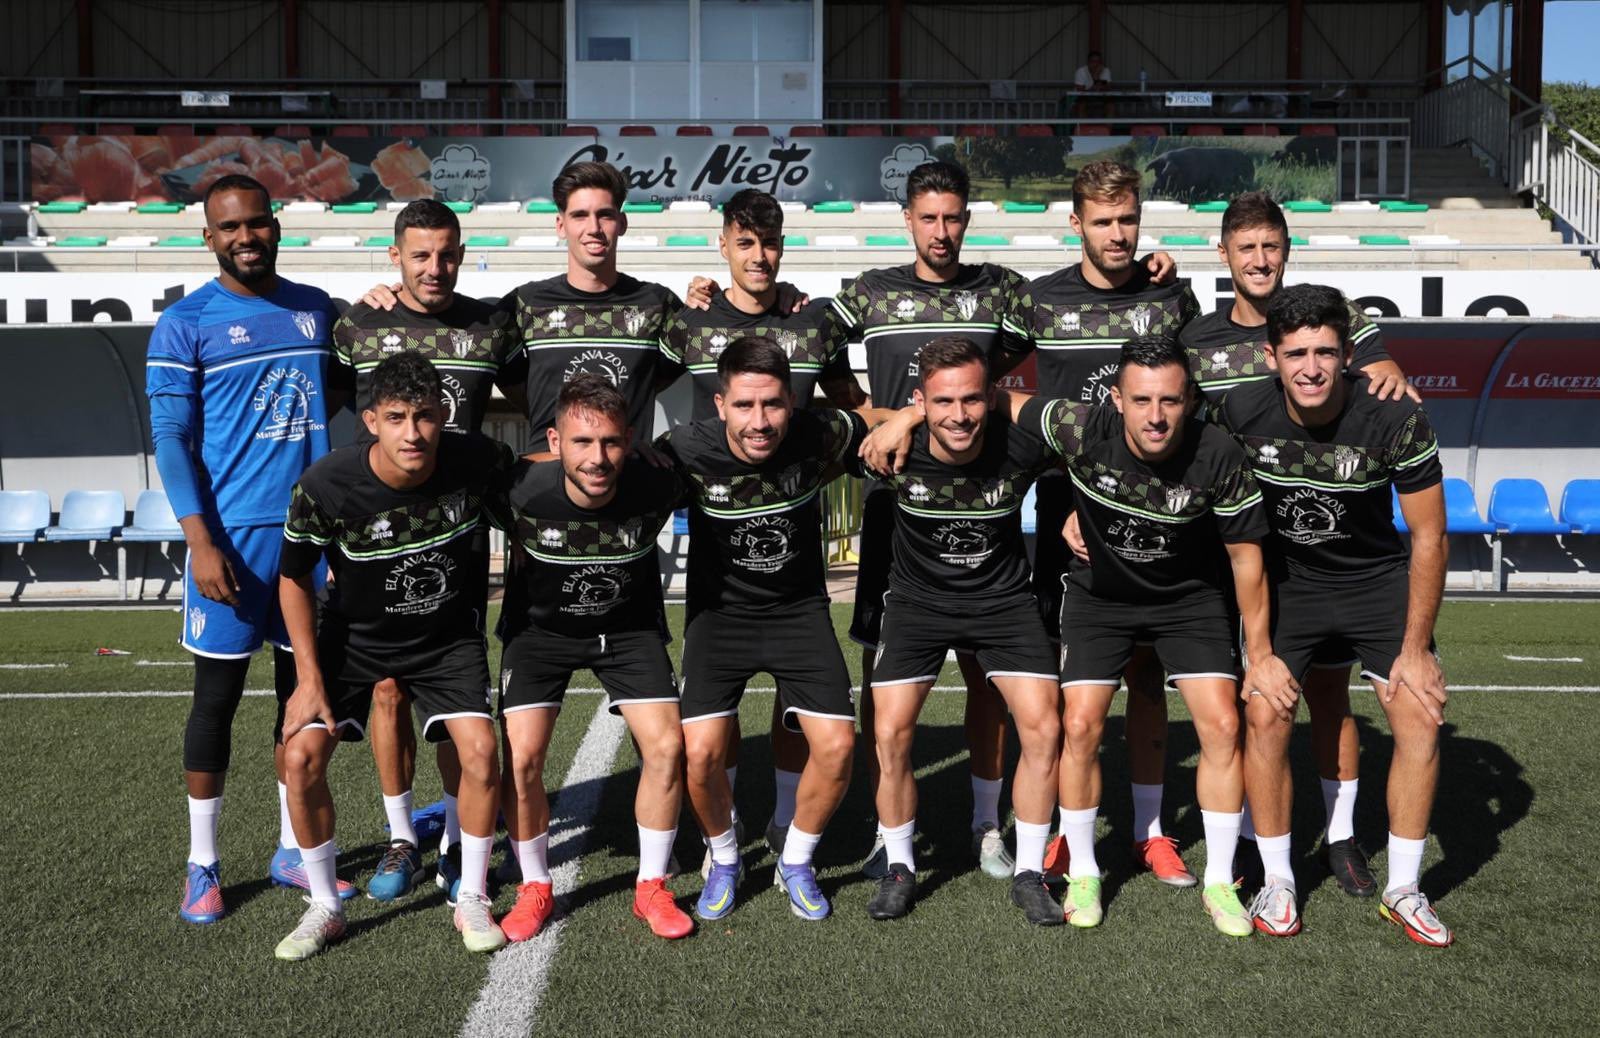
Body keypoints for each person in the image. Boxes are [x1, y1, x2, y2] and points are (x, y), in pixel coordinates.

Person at [1007, 334, 1293, 936]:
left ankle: (1220, 880)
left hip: (1187, 599)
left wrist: (1260, 653)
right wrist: (904, 415)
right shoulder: (1079, 426)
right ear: (1116, 399)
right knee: (1080, 722)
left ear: (1189, 399)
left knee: (1220, 723)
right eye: (1140, 400)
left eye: (1169, 400)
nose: (1155, 415)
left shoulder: (1218, 452)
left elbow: (1246, 558)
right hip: (1100, 597)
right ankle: (1084, 870)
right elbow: (999, 400)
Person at [1179, 191, 1416, 898]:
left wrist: (1394, 367)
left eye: (1271, 246)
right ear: (1223, 255)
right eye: (1245, 247)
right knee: (1256, 700)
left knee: (1329, 698)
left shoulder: (1337, 318)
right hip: (1242, 550)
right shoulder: (1197, 341)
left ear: (1287, 251)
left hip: (1328, 555)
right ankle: (1254, 838)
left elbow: (1383, 371)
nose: (1259, 260)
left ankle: (1341, 836)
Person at [828, 159, 1046, 882]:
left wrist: (919, 413)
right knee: (882, 673)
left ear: (967, 220)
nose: (943, 232)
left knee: (989, 675)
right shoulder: (871, 291)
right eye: (929, 218)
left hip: (981, 502)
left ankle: (987, 826)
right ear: (909, 221)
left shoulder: (1001, 291)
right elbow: (814, 347)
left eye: (954, 217)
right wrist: (870, 416)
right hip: (899, 504)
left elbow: (1004, 372)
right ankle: (884, 825)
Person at [1215, 284, 1451, 945]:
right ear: (1271, 358)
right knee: (1265, 710)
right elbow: (1167, 446)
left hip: (1376, 583)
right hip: (1290, 586)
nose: (1311, 367)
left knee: (1419, 710)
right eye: (1296, 354)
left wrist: (1417, 646)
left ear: (1348, 355)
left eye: (1324, 352)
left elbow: (1429, 536)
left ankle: (1404, 887)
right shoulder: (1237, 410)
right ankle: (1277, 879)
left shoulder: (1395, 415)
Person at [147, 172, 352, 924]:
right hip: (228, 546)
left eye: (256, 223)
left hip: (309, 543)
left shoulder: (314, 310)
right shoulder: (185, 323)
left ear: (276, 226)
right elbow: (170, 440)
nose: (245, 237)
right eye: (229, 227)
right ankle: (202, 863)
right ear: (209, 238)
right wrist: (200, 540)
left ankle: (291, 848)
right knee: (216, 700)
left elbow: (339, 388)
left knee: (300, 695)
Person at [274, 351, 513, 959]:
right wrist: (307, 678)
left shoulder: (478, 462)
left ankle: (473, 896)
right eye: (399, 417)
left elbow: (537, 493)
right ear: (372, 420)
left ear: (444, 416)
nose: (414, 433)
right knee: (298, 758)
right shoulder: (324, 484)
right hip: (352, 641)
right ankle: (325, 906)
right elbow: (294, 579)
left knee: (482, 753)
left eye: (427, 417)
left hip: (446, 641)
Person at [1010, 160, 1202, 888]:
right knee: (1072, 686)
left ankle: (1151, 833)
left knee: (1149, 676)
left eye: (1127, 221)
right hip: (1068, 512)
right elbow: (979, 379)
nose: (1117, 235)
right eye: (1102, 222)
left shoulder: (1170, 296)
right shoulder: (1038, 301)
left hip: (1154, 512)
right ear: (1076, 224)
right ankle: (1067, 827)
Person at [659, 188, 865, 866]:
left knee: (795, 711)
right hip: (721, 545)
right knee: (705, 738)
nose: (759, 255)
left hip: (796, 546)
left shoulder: (811, 324)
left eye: (770, 243)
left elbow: (851, 405)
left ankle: (783, 824)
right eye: (744, 243)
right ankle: (725, 844)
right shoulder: (686, 322)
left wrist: (915, 415)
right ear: (722, 245)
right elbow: (621, 385)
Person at [656, 336, 894, 922]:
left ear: (791, 402)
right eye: (744, 406)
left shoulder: (821, 433)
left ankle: (796, 858)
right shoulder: (684, 446)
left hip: (799, 614)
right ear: (719, 404)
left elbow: (876, 416)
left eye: (772, 405)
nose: (759, 421)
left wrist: (909, 415)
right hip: (720, 619)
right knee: (701, 754)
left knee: (838, 747)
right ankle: (726, 857)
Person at [331, 198, 525, 905]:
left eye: (447, 254)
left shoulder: (487, 327)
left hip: (455, 542)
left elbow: (545, 391)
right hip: (372, 545)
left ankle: (453, 841)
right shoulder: (357, 325)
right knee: (385, 690)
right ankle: (400, 834)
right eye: (419, 255)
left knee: (455, 703)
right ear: (395, 256)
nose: (434, 268)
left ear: (461, 252)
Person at [858, 336, 1069, 925]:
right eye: (944, 401)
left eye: (973, 399)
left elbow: (1097, 446)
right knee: (891, 730)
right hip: (917, 606)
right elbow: (822, 425)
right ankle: (901, 864)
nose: (960, 415)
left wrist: (1082, 510)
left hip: (1002, 603)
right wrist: (896, 417)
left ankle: (1028, 870)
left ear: (992, 397)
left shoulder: (1020, 444)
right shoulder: (892, 447)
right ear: (922, 402)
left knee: (1044, 728)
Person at [496, 374, 693, 940]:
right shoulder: (518, 489)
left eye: (610, 442)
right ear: (554, 443)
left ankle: (652, 885)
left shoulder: (657, 485)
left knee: (667, 746)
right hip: (540, 636)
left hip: (628, 632)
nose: (598, 457)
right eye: (582, 443)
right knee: (524, 756)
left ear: (629, 440)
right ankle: (534, 884)